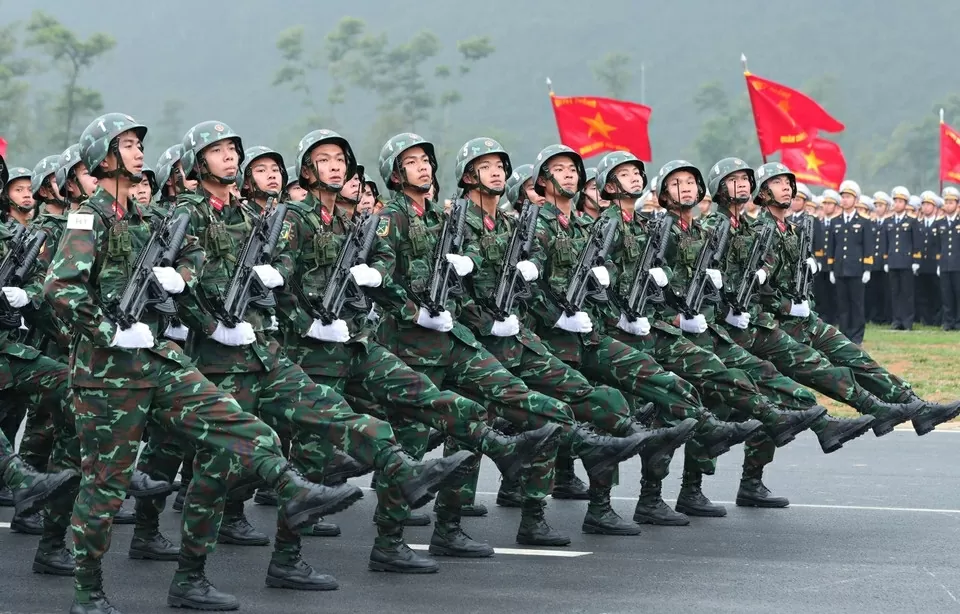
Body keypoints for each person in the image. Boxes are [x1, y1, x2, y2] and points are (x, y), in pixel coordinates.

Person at [45, 113, 366, 613]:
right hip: (106, 373)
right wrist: (110, 329)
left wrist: (178, 278)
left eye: (137, 144)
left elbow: (191, 252)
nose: (137, 152)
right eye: (127, 145)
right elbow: (60, 287)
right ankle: (88, 592)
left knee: (248, 429)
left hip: (157, 357)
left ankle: (293, 491)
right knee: (105, 489)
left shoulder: (150, 218)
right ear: (103, 158)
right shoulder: (87, 217)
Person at [827, 180, 874, 344]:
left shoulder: (864, 221)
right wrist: (831, 268)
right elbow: (832, 247)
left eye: (848, 197)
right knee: (843, 304)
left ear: (856, 200)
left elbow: (868, 246)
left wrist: (867, 268)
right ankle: (845, 335)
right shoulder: (835, 221)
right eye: (843, 197)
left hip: (857, 269)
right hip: (840, 269)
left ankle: (857, 336)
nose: (844, 200)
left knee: (857, 304)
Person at [883, 186, 921, 330]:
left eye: (900, 201)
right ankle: (897, 320)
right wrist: (886, 260)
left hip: (907, 262)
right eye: (895, 201)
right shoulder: (889, 221)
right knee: (895, 292)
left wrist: (916, 260)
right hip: (893, 261)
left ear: (906, 204)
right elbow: (886, 243)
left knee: (907, 293)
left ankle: (907, 321)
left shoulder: (912, 221)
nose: (897, 204)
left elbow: (916, 242)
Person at [937, 187, 960, 330]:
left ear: (957, 204)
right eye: (946, 202)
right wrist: (939, 262)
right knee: (946, 294)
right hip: (945, 264)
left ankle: (958, 322)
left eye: (951, 202)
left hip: (958, 264)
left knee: (958, 294)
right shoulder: (940, 223)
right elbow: (938, 245)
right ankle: (948, 321)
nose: (948, 205)